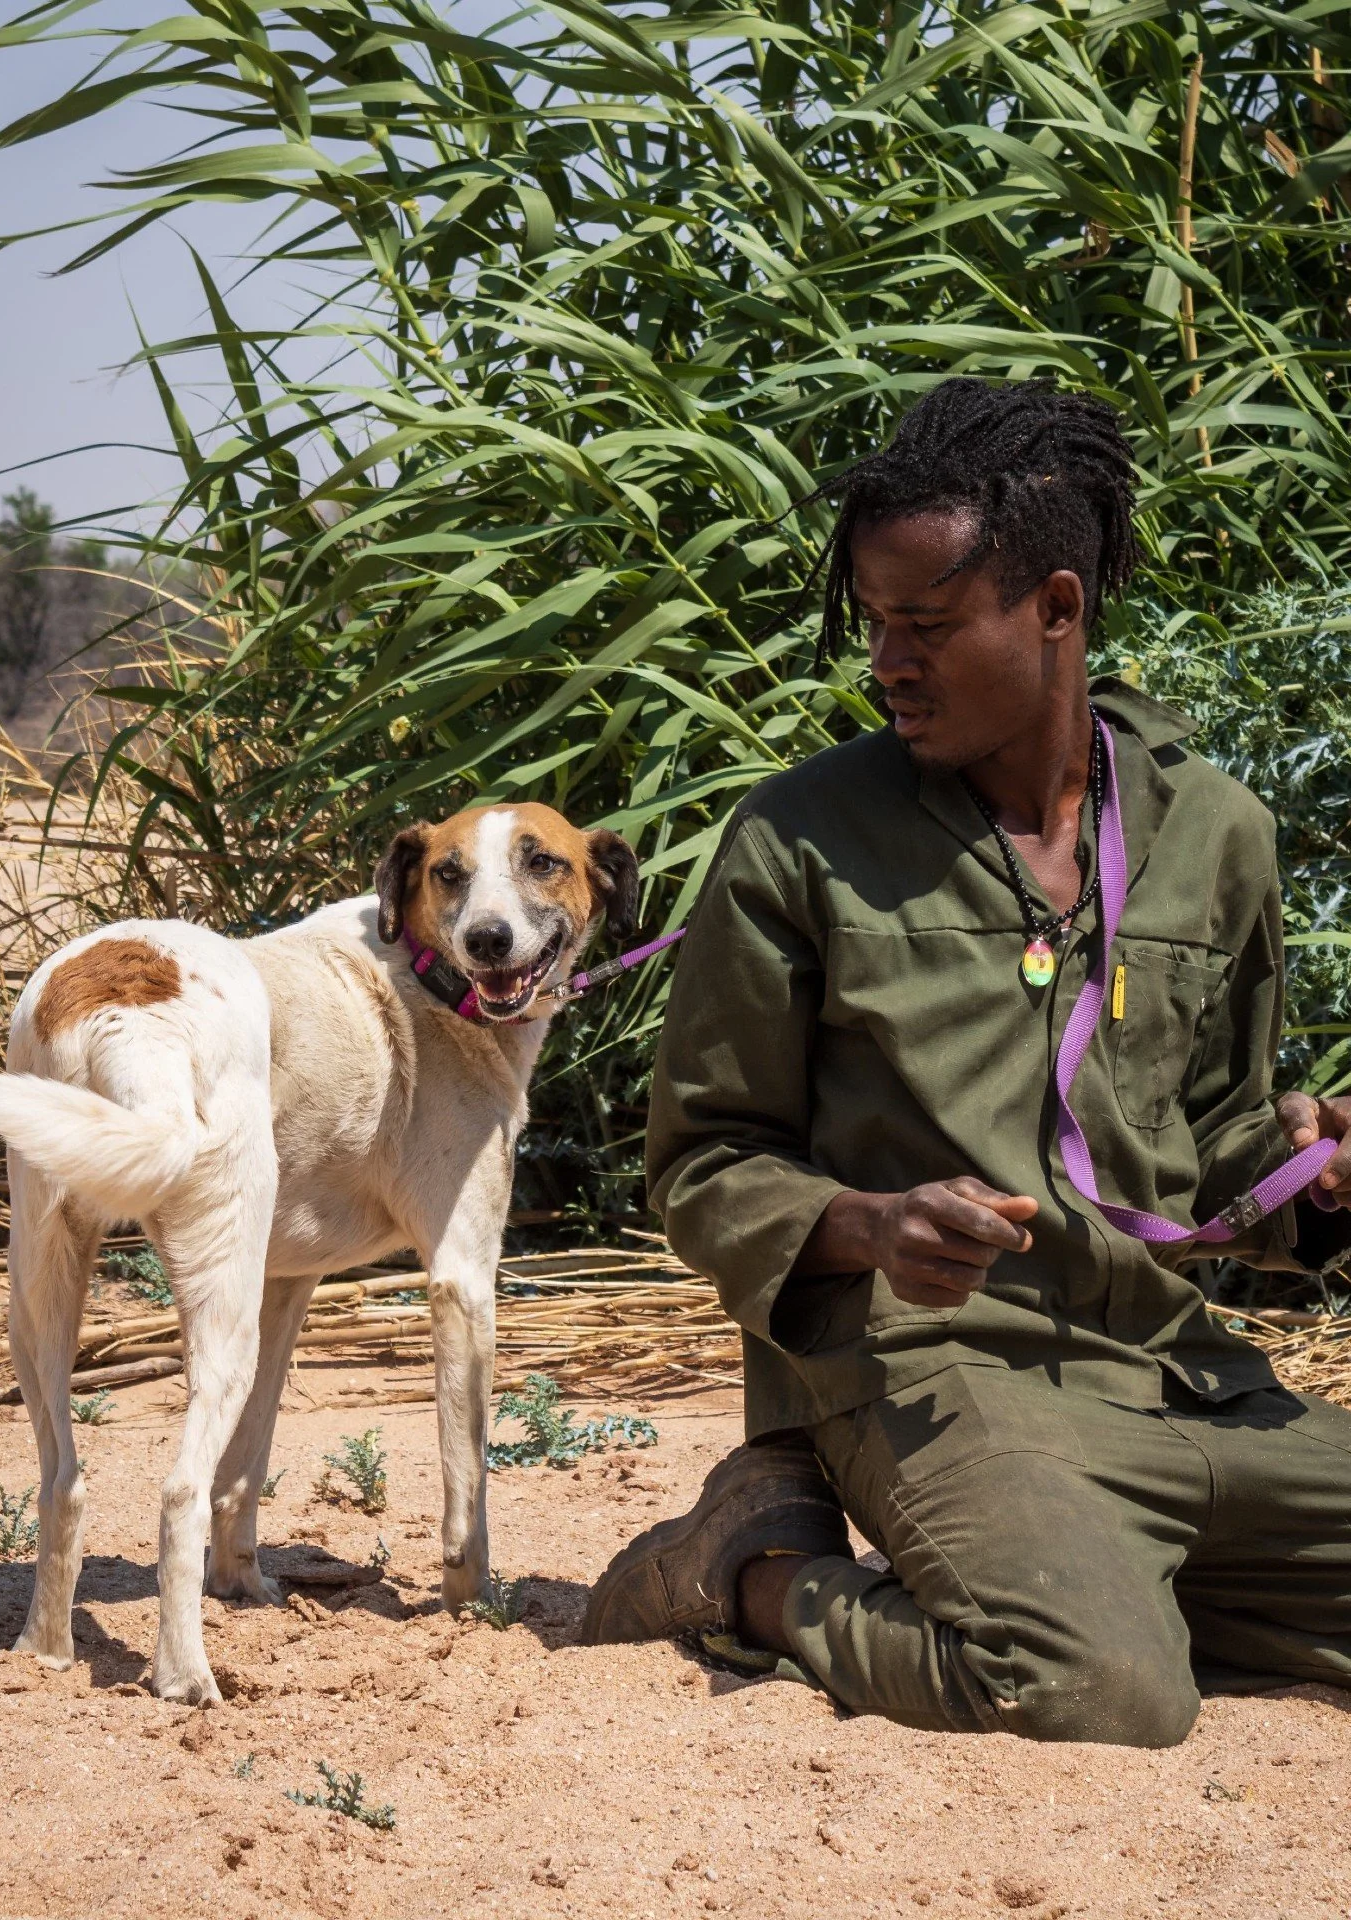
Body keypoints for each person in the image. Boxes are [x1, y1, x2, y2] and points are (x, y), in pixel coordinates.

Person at [581, 378, 1351, 1747]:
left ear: (1057, 607)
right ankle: (749, 1571)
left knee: (1118, 1641)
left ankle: (1131, 1582)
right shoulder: (798, 839)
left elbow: (1225, 1151)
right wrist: (868, 1227)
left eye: (925, 625)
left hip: (1175, 1370)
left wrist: (1319, 1181)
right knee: (1095, 1693)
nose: (887, 660)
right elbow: (704, 1162)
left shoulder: (1214, 830)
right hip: (932, 1378)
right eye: (876, 623)